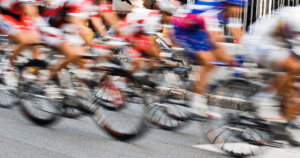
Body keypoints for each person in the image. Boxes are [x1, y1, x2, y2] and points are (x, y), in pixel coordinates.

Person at [170, 0, 248, 118]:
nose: (241, 10)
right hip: (180, 29)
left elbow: (242, 37)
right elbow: (216, 41)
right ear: (228, 5)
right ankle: (197, 103)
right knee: (209, 62)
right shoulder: (213, 13)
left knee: (218, 59)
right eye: (238, 7)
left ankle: (198, 86)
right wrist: (234, 62)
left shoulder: (230, 15)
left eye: (244, 7)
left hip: (195, 30)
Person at [240, 6, 300, 145]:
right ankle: (265, 100)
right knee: (294, 67)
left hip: (280, 46)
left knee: (294, 89)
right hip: (260, 42)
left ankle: (286, 124)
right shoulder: (297, 17)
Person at [116, 0, 182, 73]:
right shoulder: (153, 20)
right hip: (126, 34)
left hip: (137, 34)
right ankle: (123, 82)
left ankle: (139, 77)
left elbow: (159, 40)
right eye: (171, 15)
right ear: (163, 12)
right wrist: (165, 59)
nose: (173, 19)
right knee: (139, 65)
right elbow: (151, 43)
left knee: (154, 60)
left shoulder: (160, 19)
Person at [0, 0, 43, 65]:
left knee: (37, 43)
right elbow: (31, 13)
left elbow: (34, 13)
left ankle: (33, 71)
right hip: (6, 15)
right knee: (25, 41)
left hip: (21, 14)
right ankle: (10, 64)